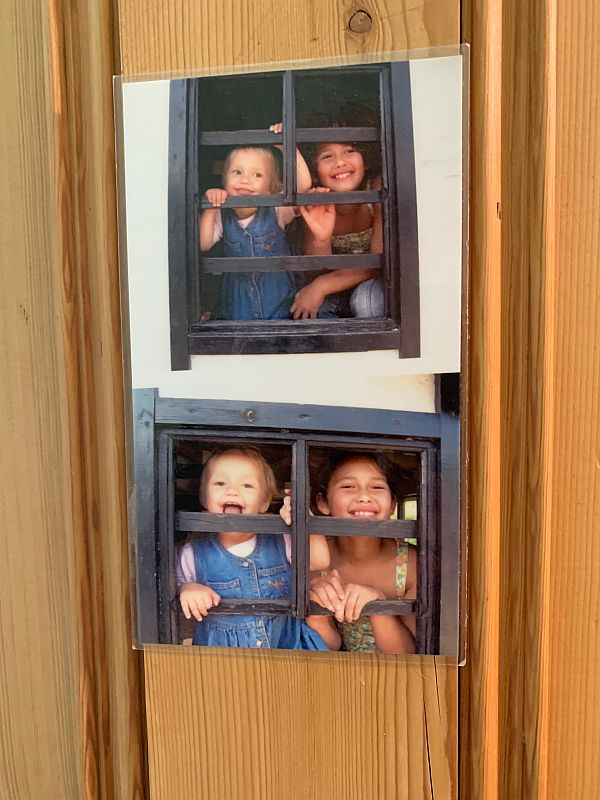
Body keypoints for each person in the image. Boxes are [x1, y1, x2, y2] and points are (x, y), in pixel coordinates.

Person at [177, 446, 331, 650]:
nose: (232, 490)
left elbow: (319, 561)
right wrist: (187, 589)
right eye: (220, 483)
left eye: (247, 485)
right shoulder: (193, 553)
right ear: (204, 497)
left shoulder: (281, 540)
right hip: (223, 658)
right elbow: (176, 585)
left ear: (264, 502)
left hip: (284, 648)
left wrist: (304, 521)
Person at [283, 452, 416, 654]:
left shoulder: (411, 564)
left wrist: (378, 606)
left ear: (393, 504)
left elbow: (411, 654)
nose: (364, 496)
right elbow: (328, 647)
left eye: (377, 487)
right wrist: (316, 614)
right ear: (323, 503)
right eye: (348, 487)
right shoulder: (315, 558)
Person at [199, 125, 312, 320]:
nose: (245, 180)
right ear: (224, 180)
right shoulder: (222, 214)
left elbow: (302, 188)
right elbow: (204, 243)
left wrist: (288, 148)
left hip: (277, 293)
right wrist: (210, 207)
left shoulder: (276, 208)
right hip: (239, 300)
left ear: (271, 188)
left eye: (257, 174)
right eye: (237, 172)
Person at [292, 131, 384, 320]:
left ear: (365, 161)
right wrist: (322, 238)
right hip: (335, 288)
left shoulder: (376, 190)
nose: (340, 162)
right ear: (315, 173)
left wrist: (321, 286)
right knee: (308, 312)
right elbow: (316, 269)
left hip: (371, 283)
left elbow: (377, 263)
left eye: (349, 151)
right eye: (327, 156)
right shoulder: (317, 200)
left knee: (367, 301)